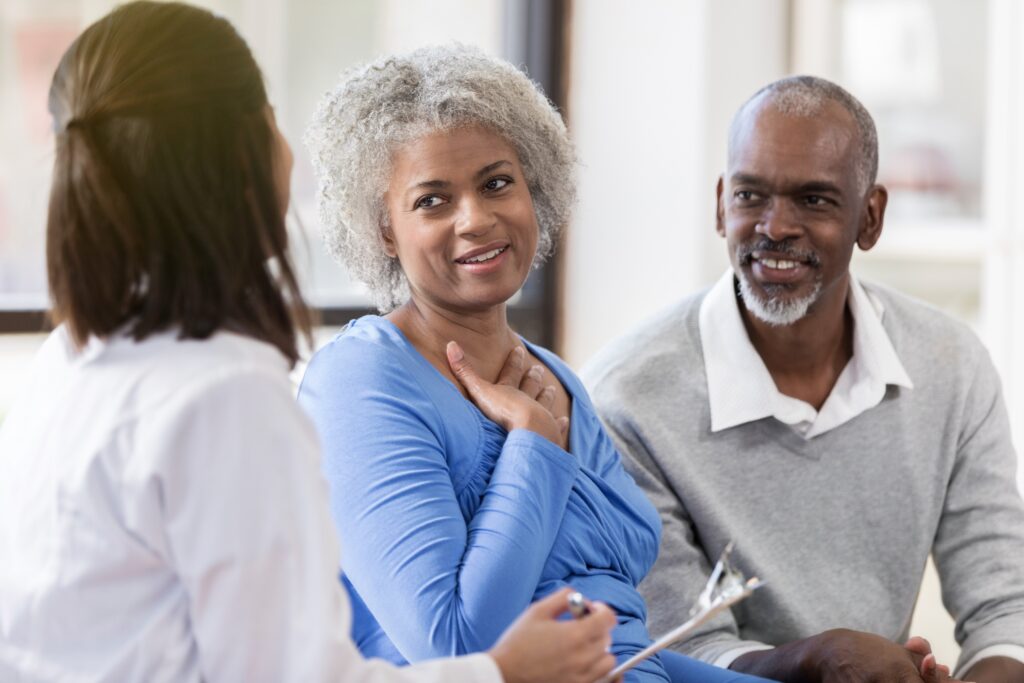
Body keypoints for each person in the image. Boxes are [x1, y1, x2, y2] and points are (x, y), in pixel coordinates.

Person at [0, 3, 621, 681]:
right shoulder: (226, 397)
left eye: (499, 182)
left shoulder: (69, 364)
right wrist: (501, 672)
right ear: (244, 151)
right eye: (269, 117)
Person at [299, 45, 772, 683]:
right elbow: (458, 646)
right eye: (432, 201)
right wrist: (531, 445)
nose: (477, 219)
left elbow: (622, 642)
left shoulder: (553, 373)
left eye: (497, 183)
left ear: (533, 188)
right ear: (385, 230)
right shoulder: (362, 382)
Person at [583, 75, 1024, 683]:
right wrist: (812, 661)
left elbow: (1006, 609)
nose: (775, 226)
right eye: (750, 196)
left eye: (813, 200)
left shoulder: (950, 364)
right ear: (720, 206)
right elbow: (675, 645)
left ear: (870, 218)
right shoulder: (626, 398)